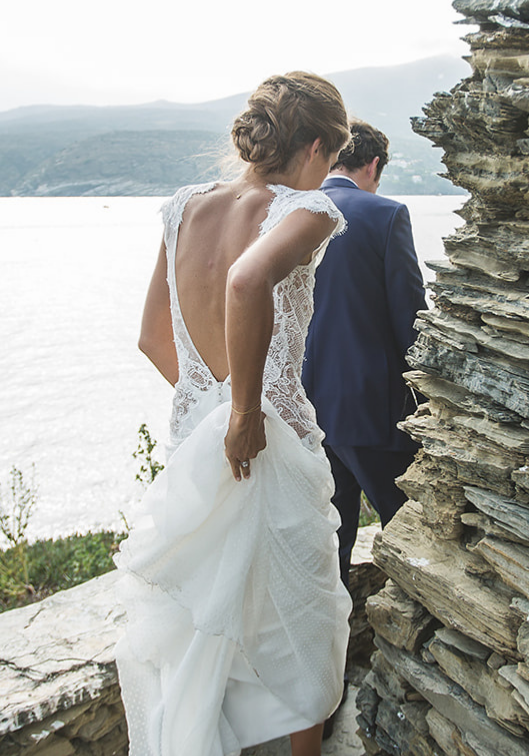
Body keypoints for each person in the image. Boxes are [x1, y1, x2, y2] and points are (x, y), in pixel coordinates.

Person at [115, 71, 355, 756]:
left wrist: (213, 404)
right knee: (304, 625)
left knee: (205, 628)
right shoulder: (309, 211)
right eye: (332, 157)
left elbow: (153, 339)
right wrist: (245, 412)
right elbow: (247, 280)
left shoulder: (183, 207)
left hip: (198, 444)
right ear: (315, 146)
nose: (329, 173)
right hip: (267, 446)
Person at [300, 120, 428, 586]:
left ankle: (334, 628)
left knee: (329, 540)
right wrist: (427, 401)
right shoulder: (385, 214)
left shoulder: (291, 210)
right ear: (373, 165)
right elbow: (411, 317)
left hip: (307, 409)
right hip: (374, 410)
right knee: (411, 524)